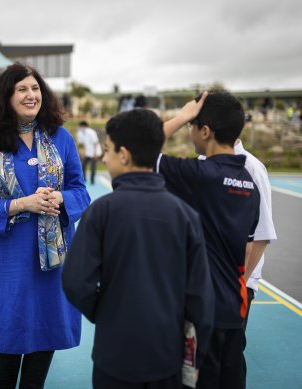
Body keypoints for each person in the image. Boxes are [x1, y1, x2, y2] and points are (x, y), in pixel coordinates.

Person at [62, 108, 215, 389]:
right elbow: (201, 300)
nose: (104, 157)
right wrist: (193, 360)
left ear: (124, 154)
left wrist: (105, 312)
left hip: (115, 357)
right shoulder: (185, 215)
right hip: (166, 357)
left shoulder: (101, 212)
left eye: (108, 150)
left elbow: (75, 281)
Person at [0, 63, 90, 389]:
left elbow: (81, 191)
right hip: (8, 261)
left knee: (46, 333)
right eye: (22, 89)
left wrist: (60, 200)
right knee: (8, 338)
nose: (31, 95)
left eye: (35, 88)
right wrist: (22, 204)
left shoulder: (60, 138)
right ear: (6, 96)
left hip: (52, 261)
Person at [158, 91, 260, 389]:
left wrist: (182, 115)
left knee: (194, 382)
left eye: (193, 125)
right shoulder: (250, 183)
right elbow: (249, 247)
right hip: (234, 307)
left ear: (205, 131)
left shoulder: (201, 174)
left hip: (201, 310)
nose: (189, 130)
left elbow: (139, 149)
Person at [234, 139, 277, 387]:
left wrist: (238, 284)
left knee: (229, 354)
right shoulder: (202, 164)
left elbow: (261, 235)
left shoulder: (252, 167)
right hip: (207, 281)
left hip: (240, 283)